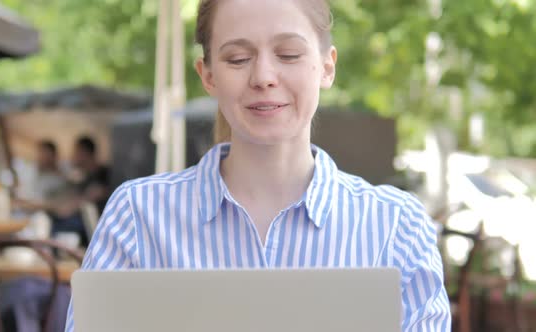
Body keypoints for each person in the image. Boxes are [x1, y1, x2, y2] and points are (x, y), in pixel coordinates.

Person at [65, 0, 450, 330]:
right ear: (209, 75)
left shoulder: (396, 227)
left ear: (327, 66)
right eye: (238, 58)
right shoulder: (137, 217)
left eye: (288, 54)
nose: (264, 77)